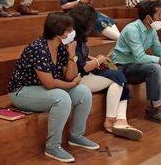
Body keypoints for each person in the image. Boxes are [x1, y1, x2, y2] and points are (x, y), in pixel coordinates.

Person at [7, 12, 98, 163]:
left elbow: (70, 75)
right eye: (69, 30)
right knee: (61, 98)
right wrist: (71, 84)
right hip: (22, 91)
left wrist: (71, 55)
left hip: (43, 89)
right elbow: (50, 83)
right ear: (58, 31)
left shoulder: (61, 47)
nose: (72, 33)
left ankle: (76, 136)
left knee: (83, 92)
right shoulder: (38, 48)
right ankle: (52, 146)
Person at [67, 5, 142, 140]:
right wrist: (98, 60)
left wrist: (96, 60)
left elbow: (80, 59)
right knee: (119, 78)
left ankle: (119, 119)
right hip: (77, 79)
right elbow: (80, 67)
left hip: (82, 74)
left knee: (118, 77)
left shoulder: (77, 36)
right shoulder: (74, 39)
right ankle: (114, 119)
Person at [112, 0, 161, 124]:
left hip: (138, 65)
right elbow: (140, 57)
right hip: (124, 67)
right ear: (148, 17)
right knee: (155, 68)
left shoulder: (152, 30)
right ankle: (153, 109)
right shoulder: (131, 30)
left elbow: (159, 50)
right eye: (159, 15)